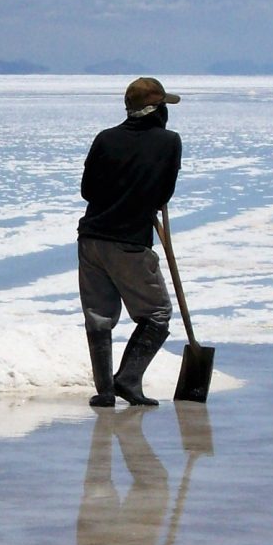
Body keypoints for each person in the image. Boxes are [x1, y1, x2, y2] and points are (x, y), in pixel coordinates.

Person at [78, 77, 181, 407]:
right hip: (128, 242)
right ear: (156, 110)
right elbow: (163, 194)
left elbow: (88, 191)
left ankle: (105, 392)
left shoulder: (105, 139)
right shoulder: (168, 142)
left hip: (91, 239)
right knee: (157, 314)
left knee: (98, 315)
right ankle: (128, 379)